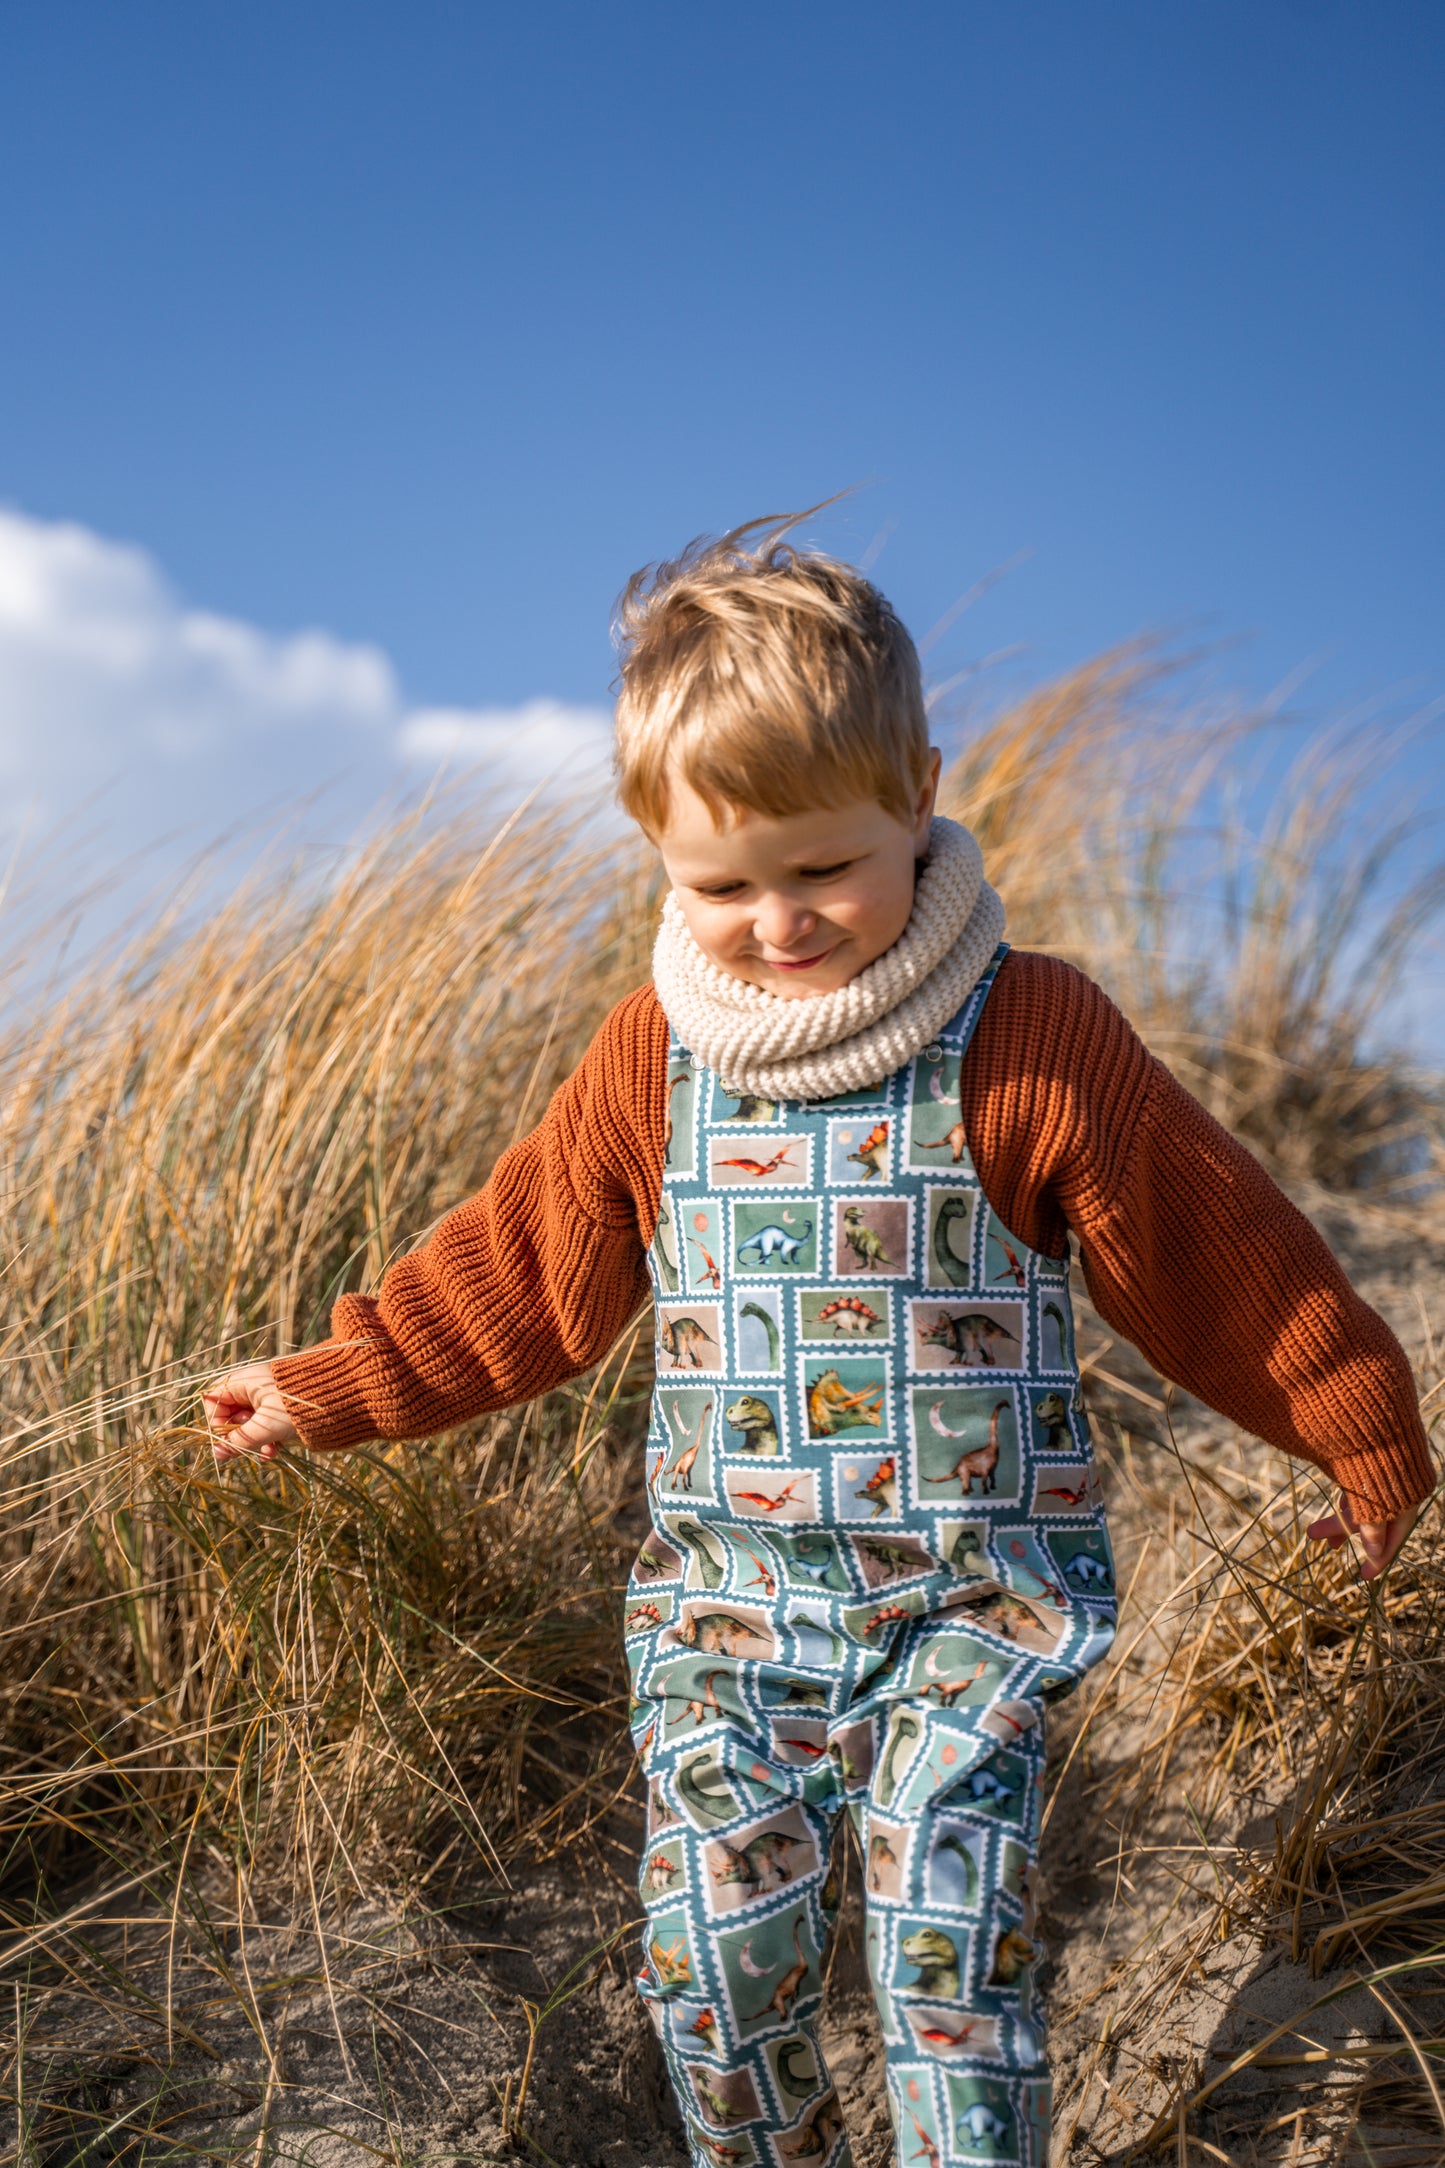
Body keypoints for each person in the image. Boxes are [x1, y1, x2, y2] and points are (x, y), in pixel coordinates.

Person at [205, 513, 1432, 2168]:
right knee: (714, 1966)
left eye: (820, 868)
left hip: (970, 1618)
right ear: (653, 851)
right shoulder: (653, 1054)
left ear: (916, 794)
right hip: (729, 1614)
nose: (777, 922)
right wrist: (327, 1385)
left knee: (946, 1968)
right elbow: (518, 1273)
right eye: (720, 884)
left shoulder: (1028, 1030)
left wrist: (1355, 1416)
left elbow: (1215, 1251)